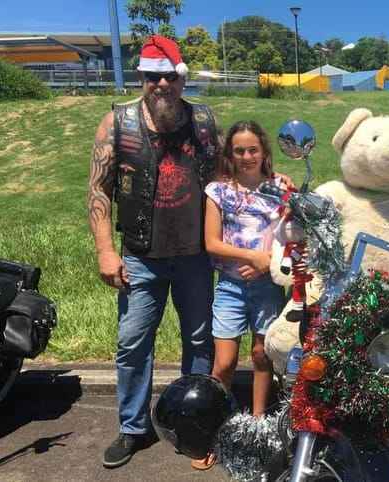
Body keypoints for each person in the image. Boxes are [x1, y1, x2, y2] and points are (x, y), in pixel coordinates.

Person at [87, 35, 223, 469]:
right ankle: (132, 427)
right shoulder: (118, 123)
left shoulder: (204, 122)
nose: (161, 83)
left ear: (180, 78)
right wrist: (106, 251)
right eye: (152, 76)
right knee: (132, 344)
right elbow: (98, 190)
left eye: (169, 76)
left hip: (196, 255)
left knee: (199, 341)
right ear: (141, 77)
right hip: (141, 255)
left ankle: (195, 422)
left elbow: (224, 186)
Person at [193, 121, 290, 470]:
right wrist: (252, 257)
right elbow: (212, 243)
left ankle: (259, 427)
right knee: (225, 362)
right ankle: (217, 431)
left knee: (263, 355)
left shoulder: (280, 189)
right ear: (229, 154)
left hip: (267, 285)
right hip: (230, 287)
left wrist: (267, 265)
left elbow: (291, 235)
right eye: (239, 150)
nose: (247, 156)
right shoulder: (218, 191)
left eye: (253, 149)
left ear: (263, 151)